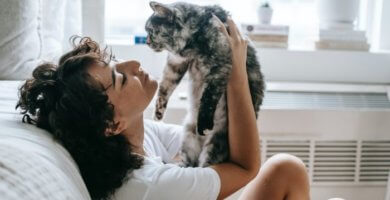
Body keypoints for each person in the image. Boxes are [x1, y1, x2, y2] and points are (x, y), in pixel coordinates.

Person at [17, 17, 310, 200]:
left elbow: (211, 147)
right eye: (120, 78)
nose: (133, 65)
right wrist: (235, 73)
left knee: (285, 173)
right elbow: (245, 167)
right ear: (112, 124)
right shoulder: (148, 186)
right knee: (287, 169)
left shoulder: (135, 141)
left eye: (117, 63)